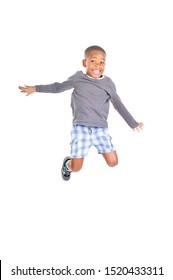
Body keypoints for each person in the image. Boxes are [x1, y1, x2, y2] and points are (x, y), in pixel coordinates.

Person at [19, 45, 144, 181]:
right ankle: (67, 164)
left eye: (102, 62)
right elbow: (57, 87)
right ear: (85, 63)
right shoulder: (78, 78)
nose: (97, 65)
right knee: (76, 168)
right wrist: (36, 89)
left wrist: (132, 123)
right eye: (93, 61)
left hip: (100, 129)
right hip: (80, 128)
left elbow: (118, 104)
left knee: (113, 162)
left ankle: (79, 159)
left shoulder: (108, 83)